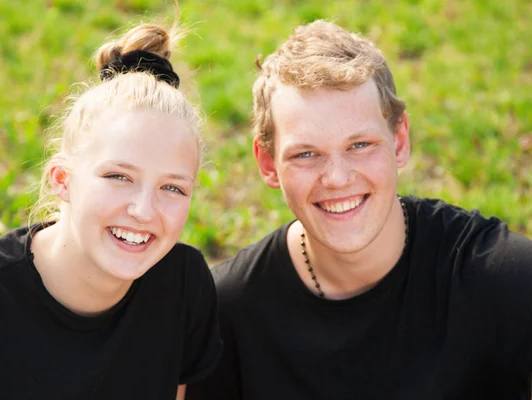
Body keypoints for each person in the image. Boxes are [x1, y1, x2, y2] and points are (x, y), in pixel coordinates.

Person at [186, 20, 532, 399]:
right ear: (268, 163)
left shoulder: (500, 279)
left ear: (399, 142)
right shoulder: (226, 313)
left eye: (360, 145)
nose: (336, 177)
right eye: (306, 154)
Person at [0, 16, 221, 400]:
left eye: (172, 187)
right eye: (119, 176)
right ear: (62, 180)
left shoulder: (183, 283)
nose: (144, 211)